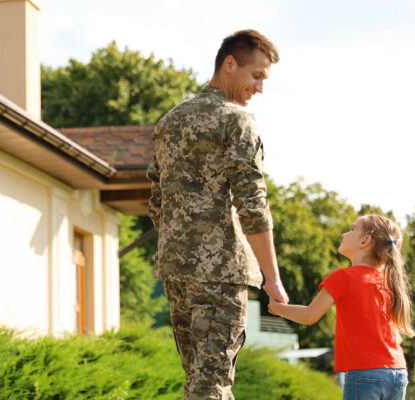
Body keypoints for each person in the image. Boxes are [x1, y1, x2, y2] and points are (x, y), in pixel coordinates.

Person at [146, 29, 289, 399]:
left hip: (176, 271)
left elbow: (157, 200)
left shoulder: (169, 122)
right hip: (221, 273)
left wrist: (182, 244)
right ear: (230, 64)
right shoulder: (236, 121)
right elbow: (252, 203)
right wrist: (272, 279)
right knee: (212, 386)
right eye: (256, 75)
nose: (259, 88)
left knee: (197, 380)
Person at [268, 214, 415, 400]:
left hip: (365, 373)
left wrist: (277, 307)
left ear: (365, 240)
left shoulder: (343, 277)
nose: (344, 234)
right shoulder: (388, 282)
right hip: (398, 372)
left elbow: (309, 315)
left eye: (352, 229)